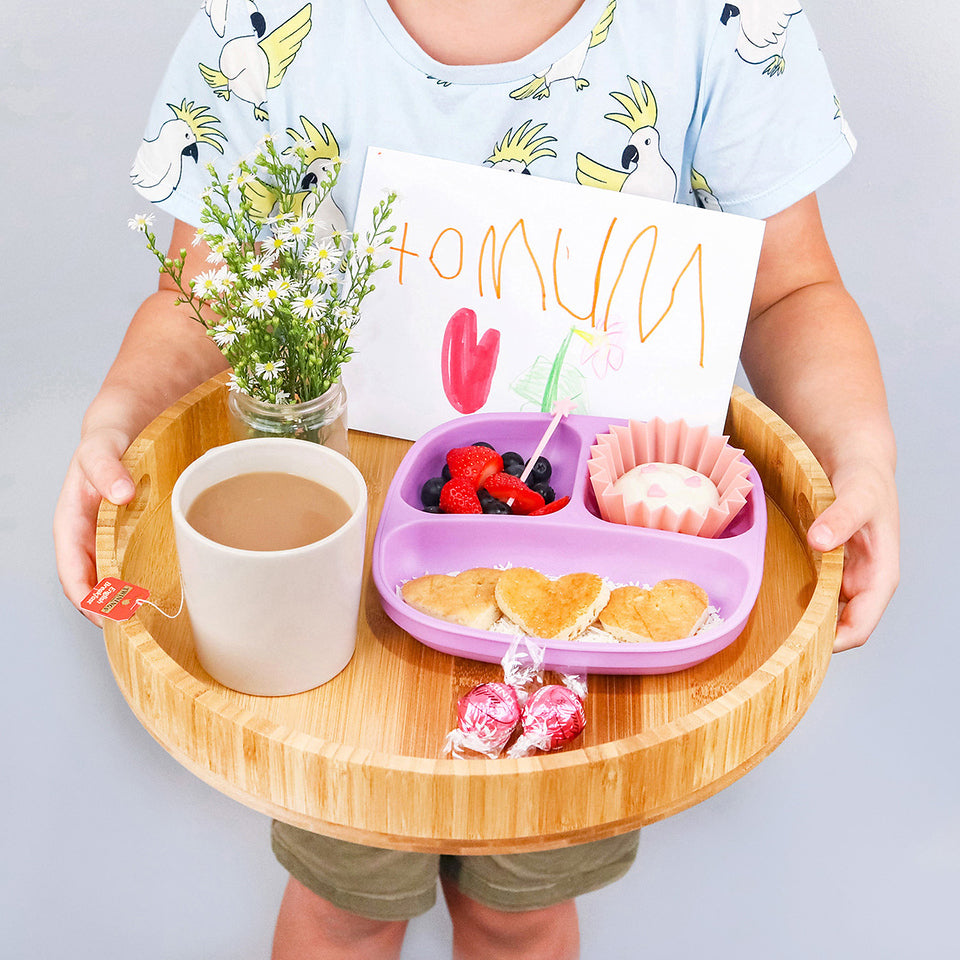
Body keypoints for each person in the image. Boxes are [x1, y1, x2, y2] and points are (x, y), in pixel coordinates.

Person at [54, 2, 899, 958]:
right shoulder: (269, 20)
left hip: (599, 599)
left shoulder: (716, 22)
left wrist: (859, 451)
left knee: (520, 914)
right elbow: (203, 295)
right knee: (345, 907)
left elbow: (791, 291)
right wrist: (119, 413)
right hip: (344, 609)